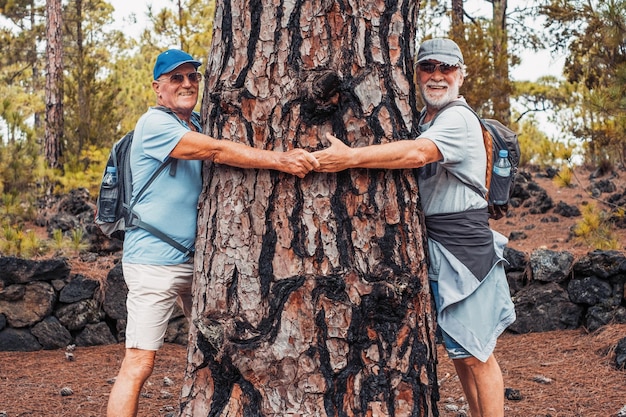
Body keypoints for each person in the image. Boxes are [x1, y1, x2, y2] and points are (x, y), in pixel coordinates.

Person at [106, 49, 319, 417]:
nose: (187, 84)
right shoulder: (154, 125)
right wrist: (281, 160)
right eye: (176, 78)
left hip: (202, 266)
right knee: (139, 363)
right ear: (158, 88)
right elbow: (218, 151)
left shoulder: (200, 122)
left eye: (192, 77)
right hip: (153, 265)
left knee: (221, 352)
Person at [313, 38, 516, 417]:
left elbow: (417, 153)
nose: (437, 76)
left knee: (477, 354)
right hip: (440, 248)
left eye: (447, 68)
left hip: (465, 251)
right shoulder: (426, 119)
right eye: (428, 67)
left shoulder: (456, 117)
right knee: (460, 352)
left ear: (461, 75)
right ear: (416, 73)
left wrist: (349, 157)